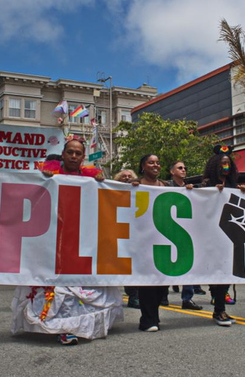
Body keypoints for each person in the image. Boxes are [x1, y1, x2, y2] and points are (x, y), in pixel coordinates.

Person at [11, 137, 122, 345]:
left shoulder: (91, 178)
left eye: (78, 153)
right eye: (70, 152)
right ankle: (57, 325)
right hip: (53, 239)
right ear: (63, 154)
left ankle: (74, 327)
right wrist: (43, 178)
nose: (73, 156)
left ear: (83, 157)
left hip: (81, 238)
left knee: (79, 285)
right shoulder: (50, 174)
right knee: (57, 286)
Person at [202, 145, 245, 327]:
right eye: (222, 163)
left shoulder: (232, 186)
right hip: (212, 235)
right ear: (215, 165)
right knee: (217, 272)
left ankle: (220, 307)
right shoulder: (206, 184)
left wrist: (241, 190)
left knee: (226, 272)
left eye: (228, 163)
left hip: (229, 235)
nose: (226, 165)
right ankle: (219, 309)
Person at [131, 154, 169, 331]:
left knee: (162, 282)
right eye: (151, 162)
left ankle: (154, 315)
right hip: (143, 239)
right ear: (142, 166)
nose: (155, 165)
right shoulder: (135, 185)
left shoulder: (167, 186)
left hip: (163, 239)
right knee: (147, 282)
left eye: (157, 162)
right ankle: (147, 319)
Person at [166, 160, 203, 310]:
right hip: (168, 231)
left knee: (188, 265)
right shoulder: (165, 186)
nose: (183, 170)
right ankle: (162, 296)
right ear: (172, 171)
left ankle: (187, 298)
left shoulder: (192, 188)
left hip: (187, 232)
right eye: (180, 168)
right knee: (166, 264)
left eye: (185, 168)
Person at [113, 169, 141, 308]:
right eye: (124, 176)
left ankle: (134, 296)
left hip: (134, 234)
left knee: (134, 266)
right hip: (118, 232)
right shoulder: (112, 192)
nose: (127, 178)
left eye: (130, 176)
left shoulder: (138, 191)